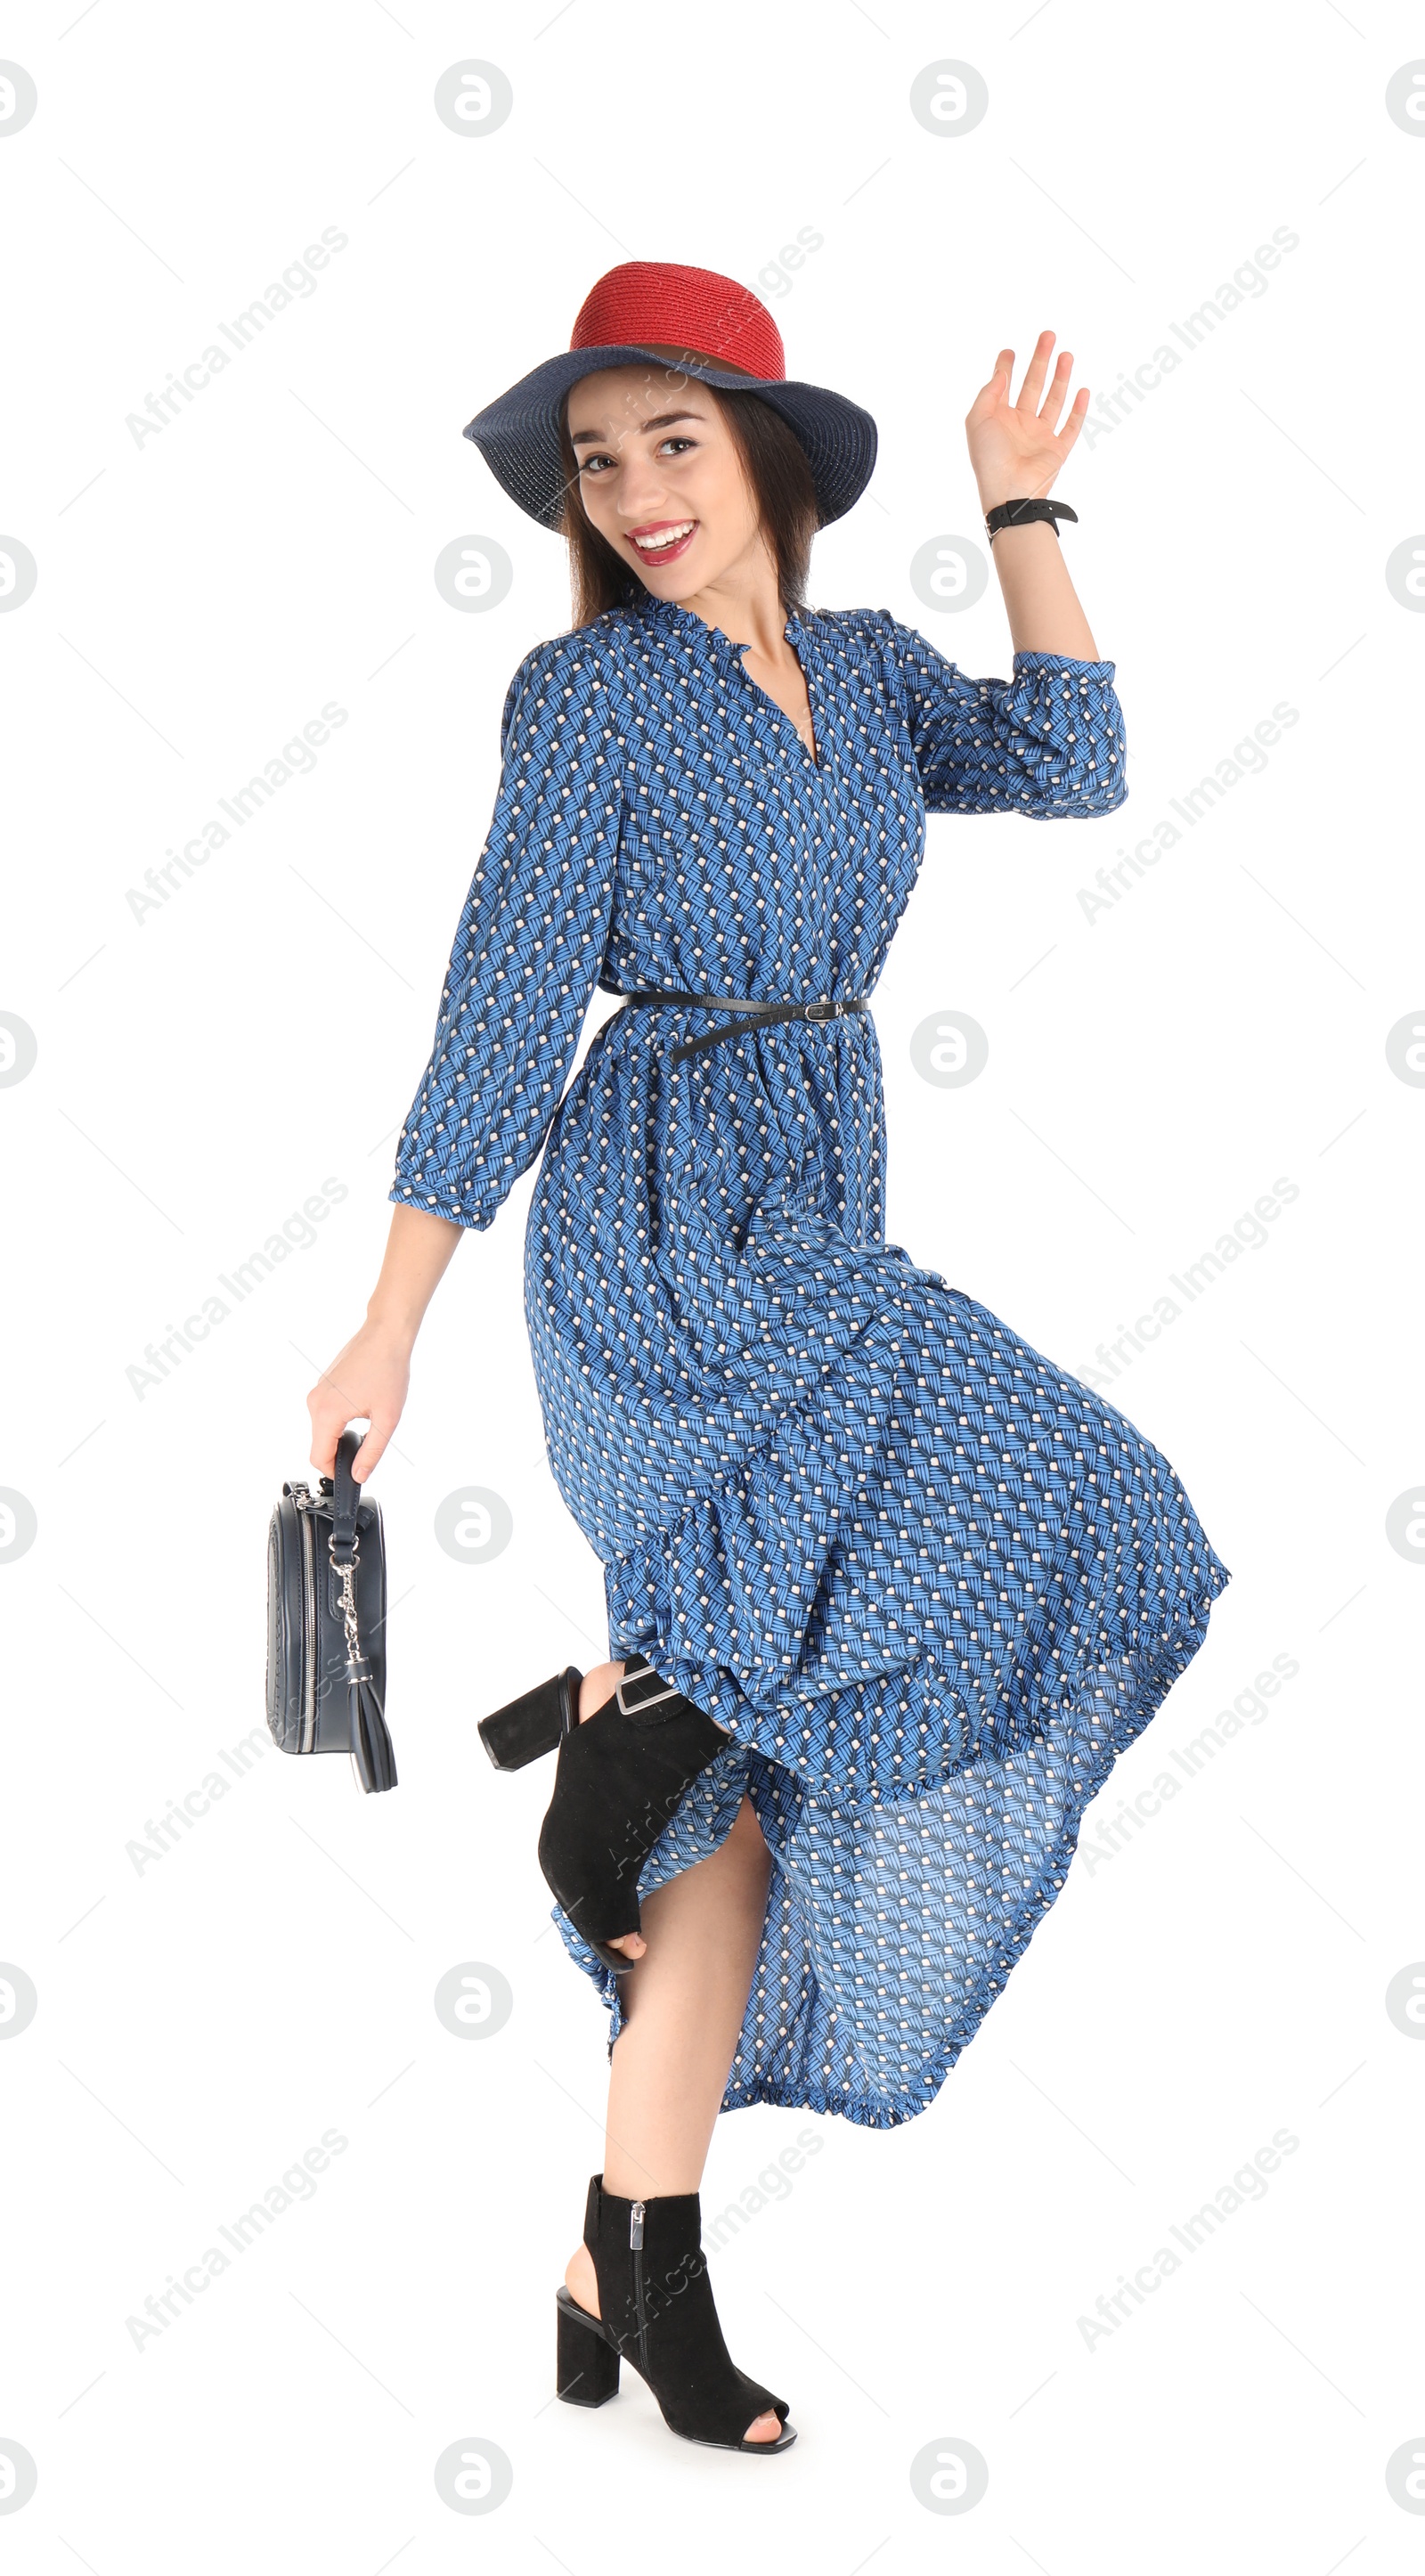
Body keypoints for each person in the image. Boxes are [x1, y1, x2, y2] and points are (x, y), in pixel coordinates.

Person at [307, 261, 1230, 2455]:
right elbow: (506, 1006)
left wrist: (1025, 512)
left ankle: (607, 2232)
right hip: (645, 1220)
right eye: (594, 457)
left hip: (816, 1185)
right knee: (940, 1530)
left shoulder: (873, 671)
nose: (628, 491)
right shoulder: (589, 702)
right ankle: (634, 1751)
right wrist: (390, 1315)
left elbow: (1077, 760)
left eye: (671, 443)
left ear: (768, 462)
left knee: (1055, 1534)